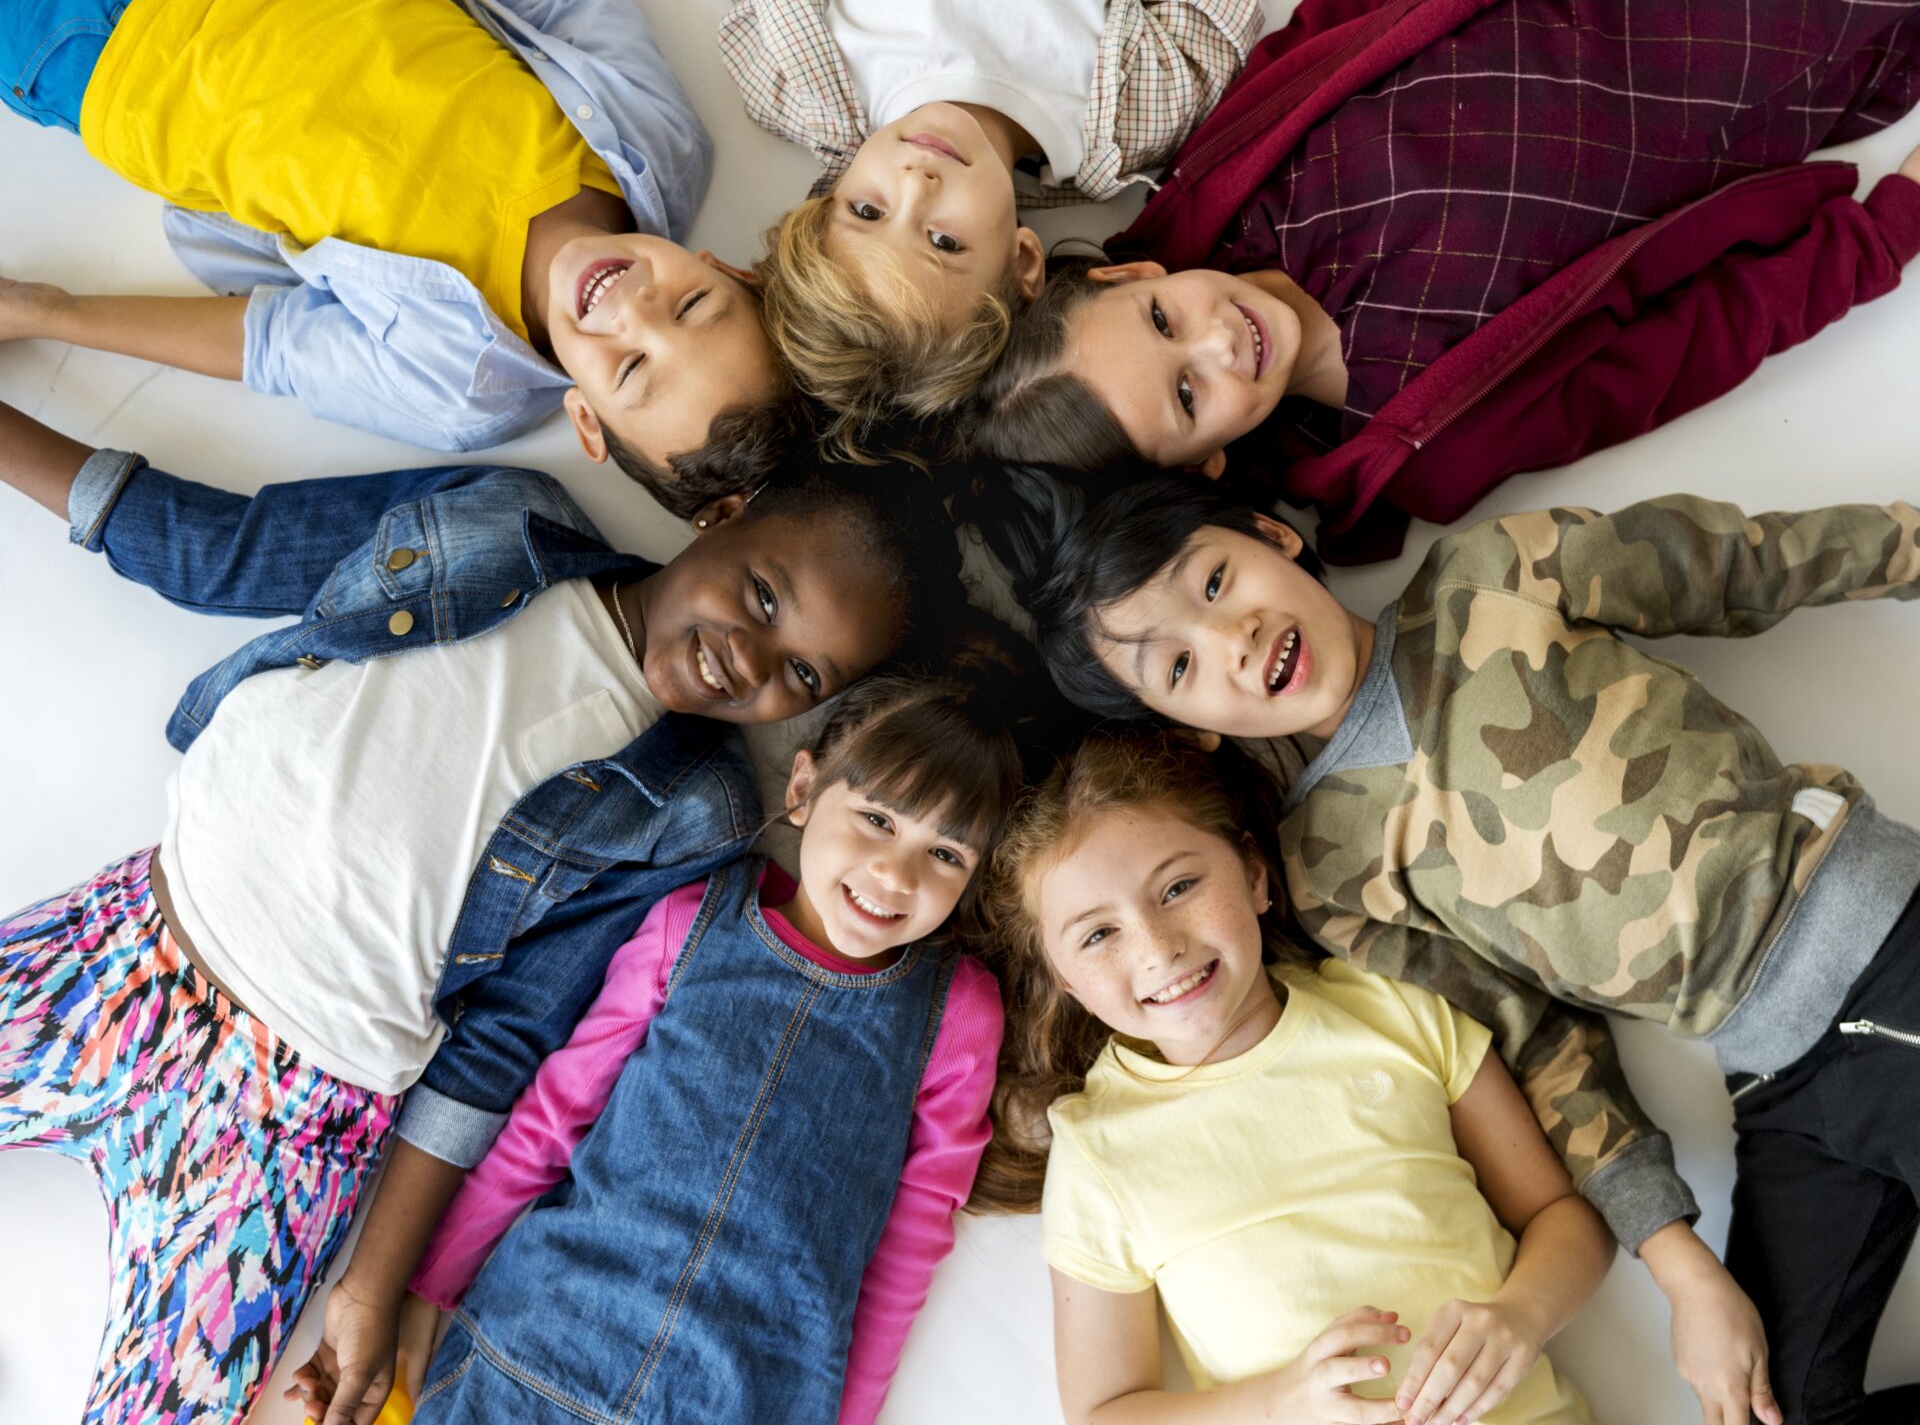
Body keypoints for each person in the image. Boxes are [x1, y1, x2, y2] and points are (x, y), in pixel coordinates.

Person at [0, 393, 964, 1425]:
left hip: (290, 1117)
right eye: (766, 598)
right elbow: (226, 550)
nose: (755, 658)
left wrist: (373, 1286)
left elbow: (504, 1041)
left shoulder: (695, 805)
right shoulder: (498, 517)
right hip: (121, 947)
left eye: (803, 673)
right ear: (721, 514)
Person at [992, 463, 1920, 1423]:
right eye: (1178, 667)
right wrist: (1682, 1270)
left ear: (1271, 535)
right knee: (1790, 1407)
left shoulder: (1494, 575)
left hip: (1874, 942)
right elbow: (1540, 1045)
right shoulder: (1333, 874)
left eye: (1216, 582)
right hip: (1776, 1065)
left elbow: (1742, 563)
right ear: (1187, 732)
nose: (1231, 640)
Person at [966, 0, 1920, 561]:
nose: (1217, 342)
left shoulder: (1236, 177)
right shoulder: (1422, 438)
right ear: (1204, 464)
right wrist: (1887, 233)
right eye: (1188, 396)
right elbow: (1688, 347)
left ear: (1139, 274)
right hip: (1804, 40)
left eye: (1164, 319)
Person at [344, 671, 1023, 1425]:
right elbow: (551, 1117)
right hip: (538, 1346)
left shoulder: (956, 1012)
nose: (896, 874)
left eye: (946, 856)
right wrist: (429, 1287)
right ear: (802, 790)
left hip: (746, 1395)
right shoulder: (690, 921)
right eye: (877, 819)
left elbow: (910, 1240)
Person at [0, 0, 794, 518]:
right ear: (727, 268)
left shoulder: (461, 391)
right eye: (692, 306)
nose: (631, 312)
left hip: (104, 56)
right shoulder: (662, 143)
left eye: (628, 371)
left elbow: (268, 342)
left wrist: (48, 312)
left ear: (585, 418)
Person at [979, 728, 1610, 1425]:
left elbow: (1564, 1219)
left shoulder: (1396, 1011)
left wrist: (1520, 1316)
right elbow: (1104, 1413)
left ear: (1254, 876)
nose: (1159, 948)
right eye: (1099, 934)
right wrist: (1277, 1405)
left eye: (1179, 887)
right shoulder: (1097, 1148)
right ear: (1065, 979)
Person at [708, 0, 1274, 446]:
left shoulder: (799, 84)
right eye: (944, 243)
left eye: (867, 209)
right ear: (1024, 261)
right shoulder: (1137, 116)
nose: (916, 184)